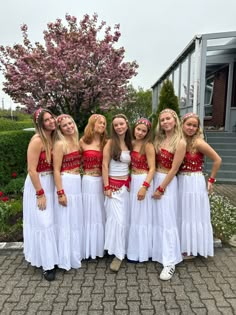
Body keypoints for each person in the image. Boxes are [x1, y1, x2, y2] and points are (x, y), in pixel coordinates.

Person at [178, 112, 222, 259]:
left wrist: (211, 180)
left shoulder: (198, 143)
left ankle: (192, 248)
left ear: (198, 128)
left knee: (193, 214)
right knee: (183, 213)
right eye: (188, 124)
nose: (191, 128)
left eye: (194, 126)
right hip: (181, 181)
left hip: (194, 181)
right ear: (182, 125)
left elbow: (217, 160)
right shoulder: (180, 141)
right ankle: (184, 245)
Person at [23, 108, 58, 281]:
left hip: (51, 182)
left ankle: (52, 257)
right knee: (44, 223)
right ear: (40, 124)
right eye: (46, 120)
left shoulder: (53, 138)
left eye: (52, 117)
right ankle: (47, 265)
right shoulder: (37, 140)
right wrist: (40, 193)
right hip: (39, 184)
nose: (51, 121)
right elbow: (31, 169)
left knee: (52, 222)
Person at [152, 108, 186, 281]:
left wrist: (161, 188)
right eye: (162, 120)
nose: (165, 122)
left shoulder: (180, 142)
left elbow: (174, 169)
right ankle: (160, 253)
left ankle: (171, 262)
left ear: (175, 120)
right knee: (158, 220)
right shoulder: (159, 139)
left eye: (168, 119)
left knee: (168, 221)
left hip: (167, 182)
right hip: (155, 178)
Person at [53, 114, 84, 271]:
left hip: (76, 183)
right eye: (65, 125)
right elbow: (56, 170)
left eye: (70, 123)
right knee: (65, 221)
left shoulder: (76, 142)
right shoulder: (60, 144)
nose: (69, 126)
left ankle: (74, 254)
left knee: (74, 220)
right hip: (66, 182)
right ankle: (64, 258)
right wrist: (60, 192)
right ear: (60, 129)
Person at [102, 113, 132, 272]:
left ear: (127, 124)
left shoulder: (131, 143)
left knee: (125, 220)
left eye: (121, 124)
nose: (119, 127)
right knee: (117, 220)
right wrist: (106, 186)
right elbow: (104, 165)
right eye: (116, 125)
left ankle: (123, 249)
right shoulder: (109, 143)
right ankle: (118, 254)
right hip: (112, 188)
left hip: (126, 188)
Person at [127, 118, 155, 262]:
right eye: (138, 129)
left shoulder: (148, 146)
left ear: (147, 133)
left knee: (142, 217)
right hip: (132, 180)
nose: (140, 133)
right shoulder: (130, 144)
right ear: (134, 128)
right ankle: (133, 250)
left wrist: (144, 187)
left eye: (144, 131)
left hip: (143, 180)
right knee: (134, 216)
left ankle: (143, 252)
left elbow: (152, 168)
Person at [80, 114, 107, 259]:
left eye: (104, 123)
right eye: (99, 123)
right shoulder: (83, 142)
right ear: (92, 124)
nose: (102, 125)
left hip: (102, 182)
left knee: (100, 213)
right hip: (88, 181)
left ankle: (101, 247)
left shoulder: (106, 143)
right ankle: (88, 248)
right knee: (89, 214)